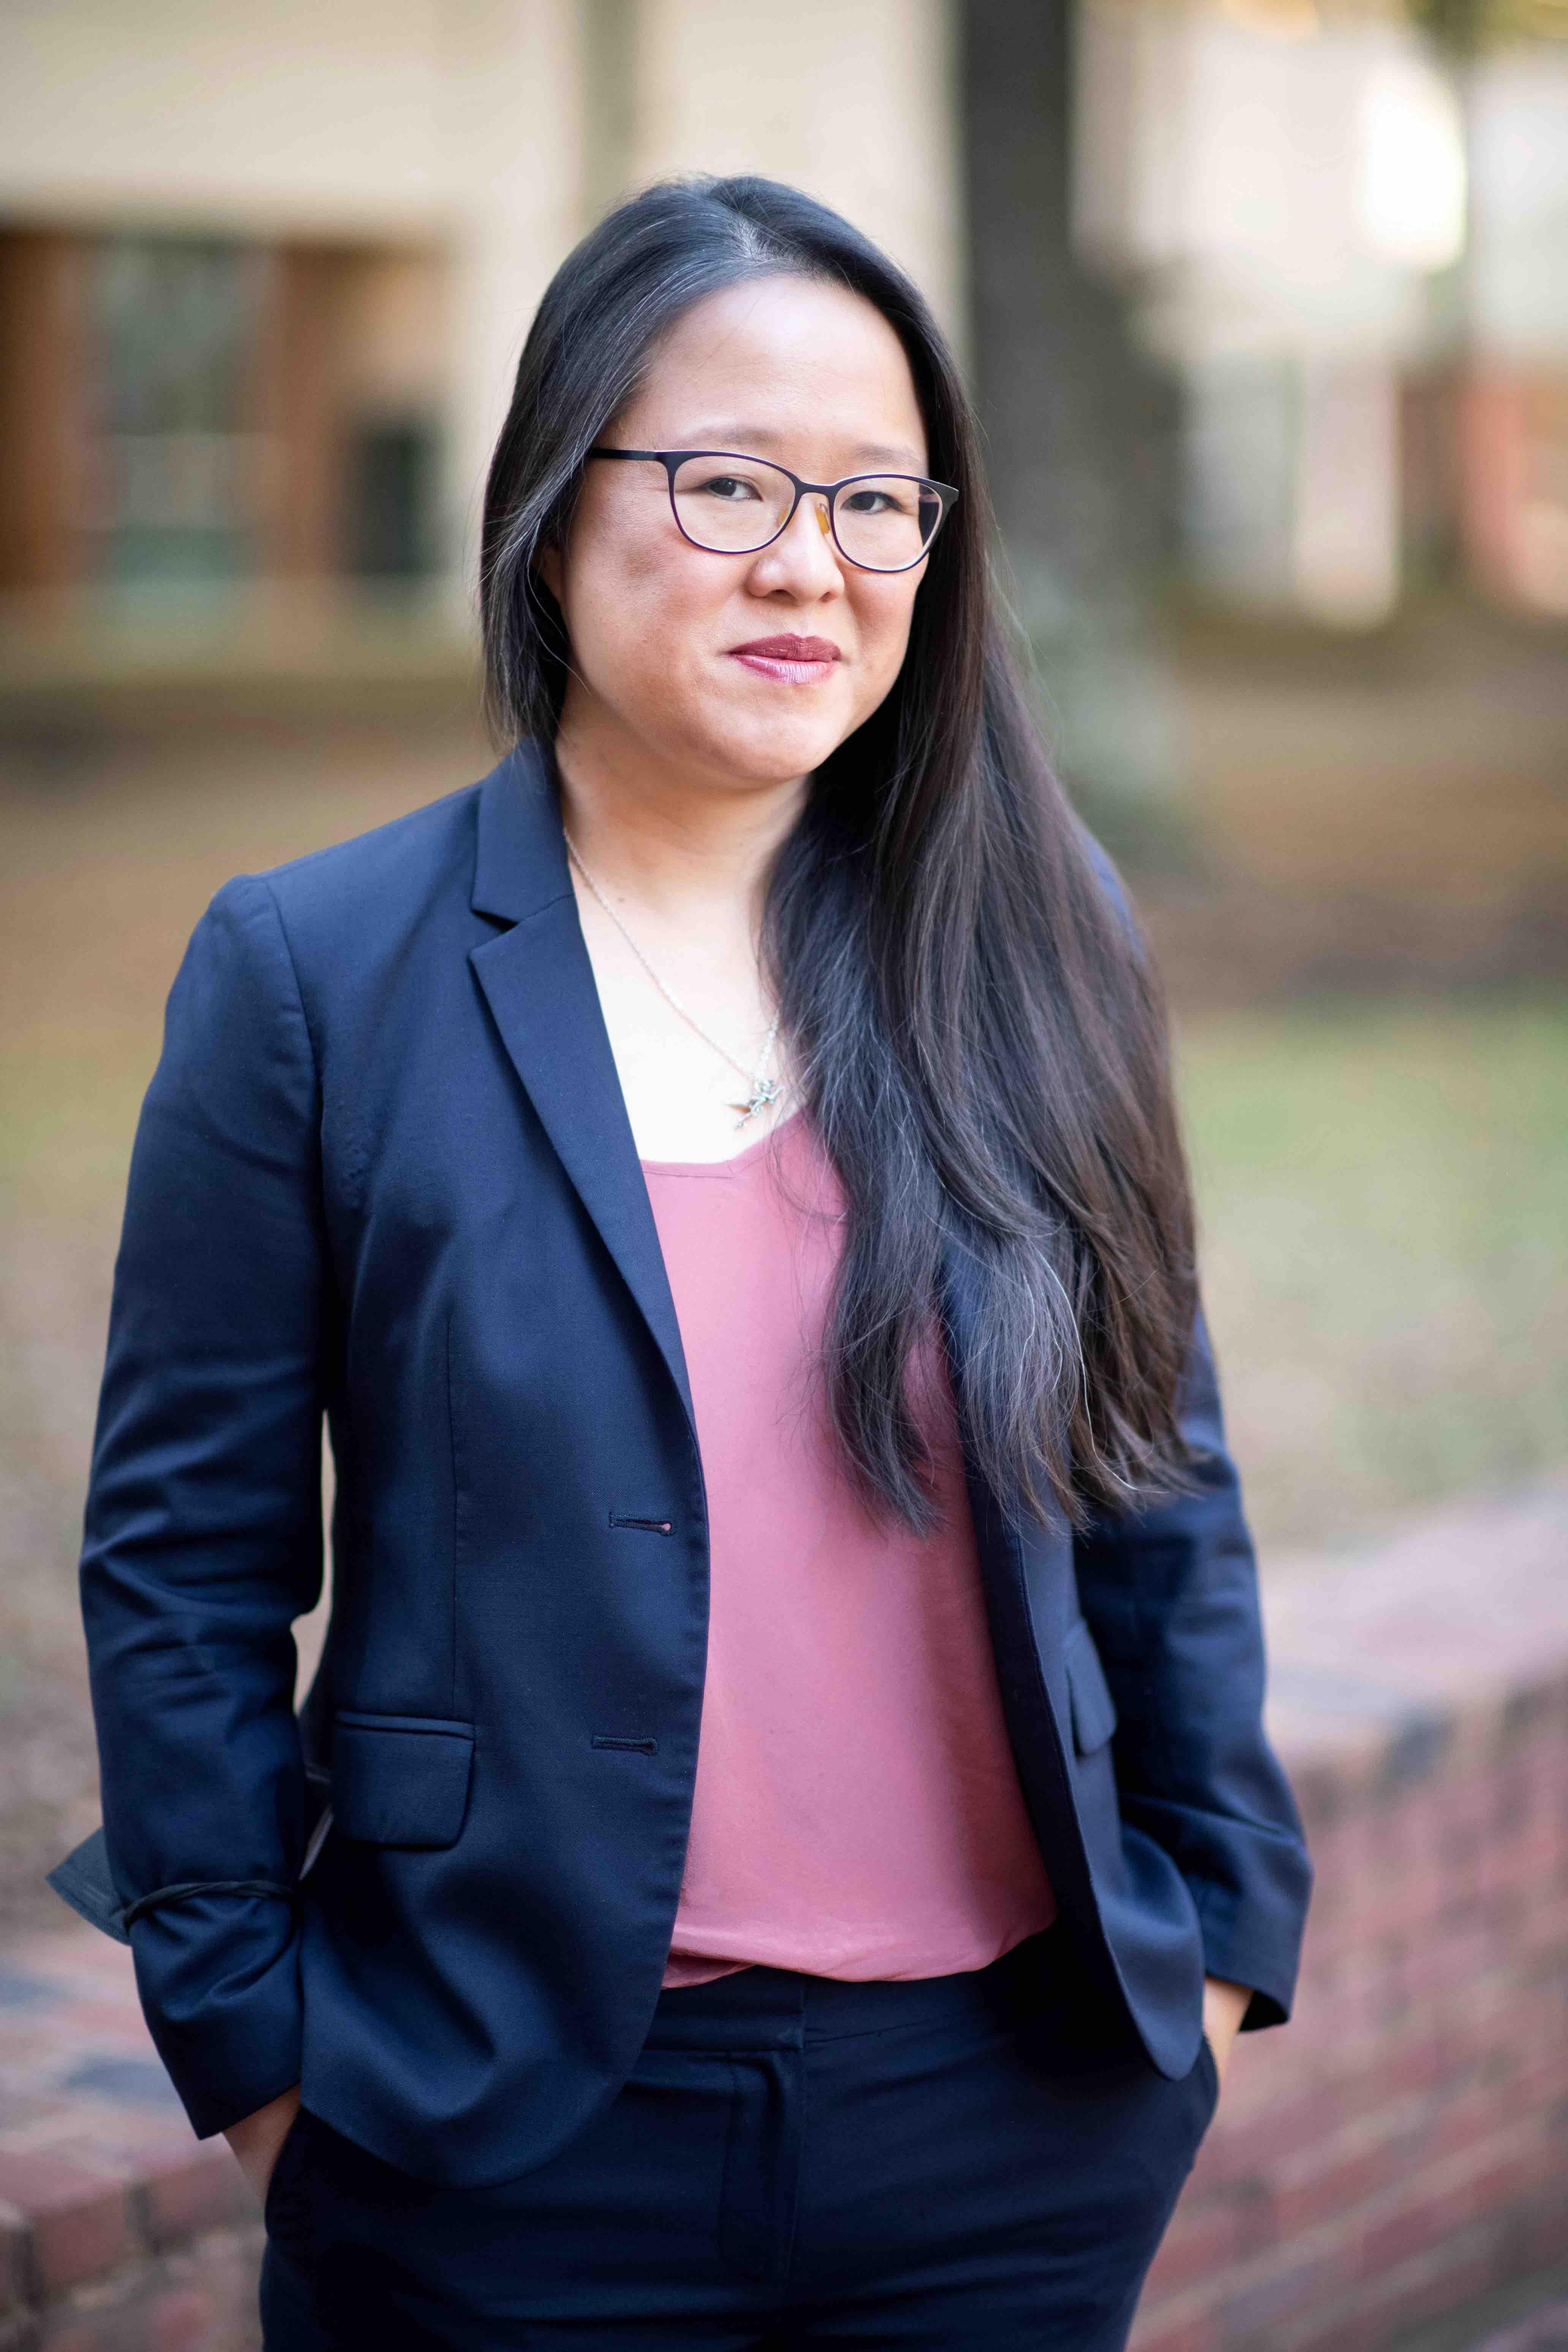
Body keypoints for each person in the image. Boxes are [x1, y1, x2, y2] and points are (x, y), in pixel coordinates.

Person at [54, 174, 1312, 2349]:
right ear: (553, 501)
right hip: (498, 2140)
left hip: (1012, 2129)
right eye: (728, 483)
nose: (811, 562)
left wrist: (1209, 1946)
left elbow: (1153, 1470)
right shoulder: (317, 972)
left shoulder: (1034, 930)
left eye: (877, 497)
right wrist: (258, 2056)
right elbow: (182, 1566)